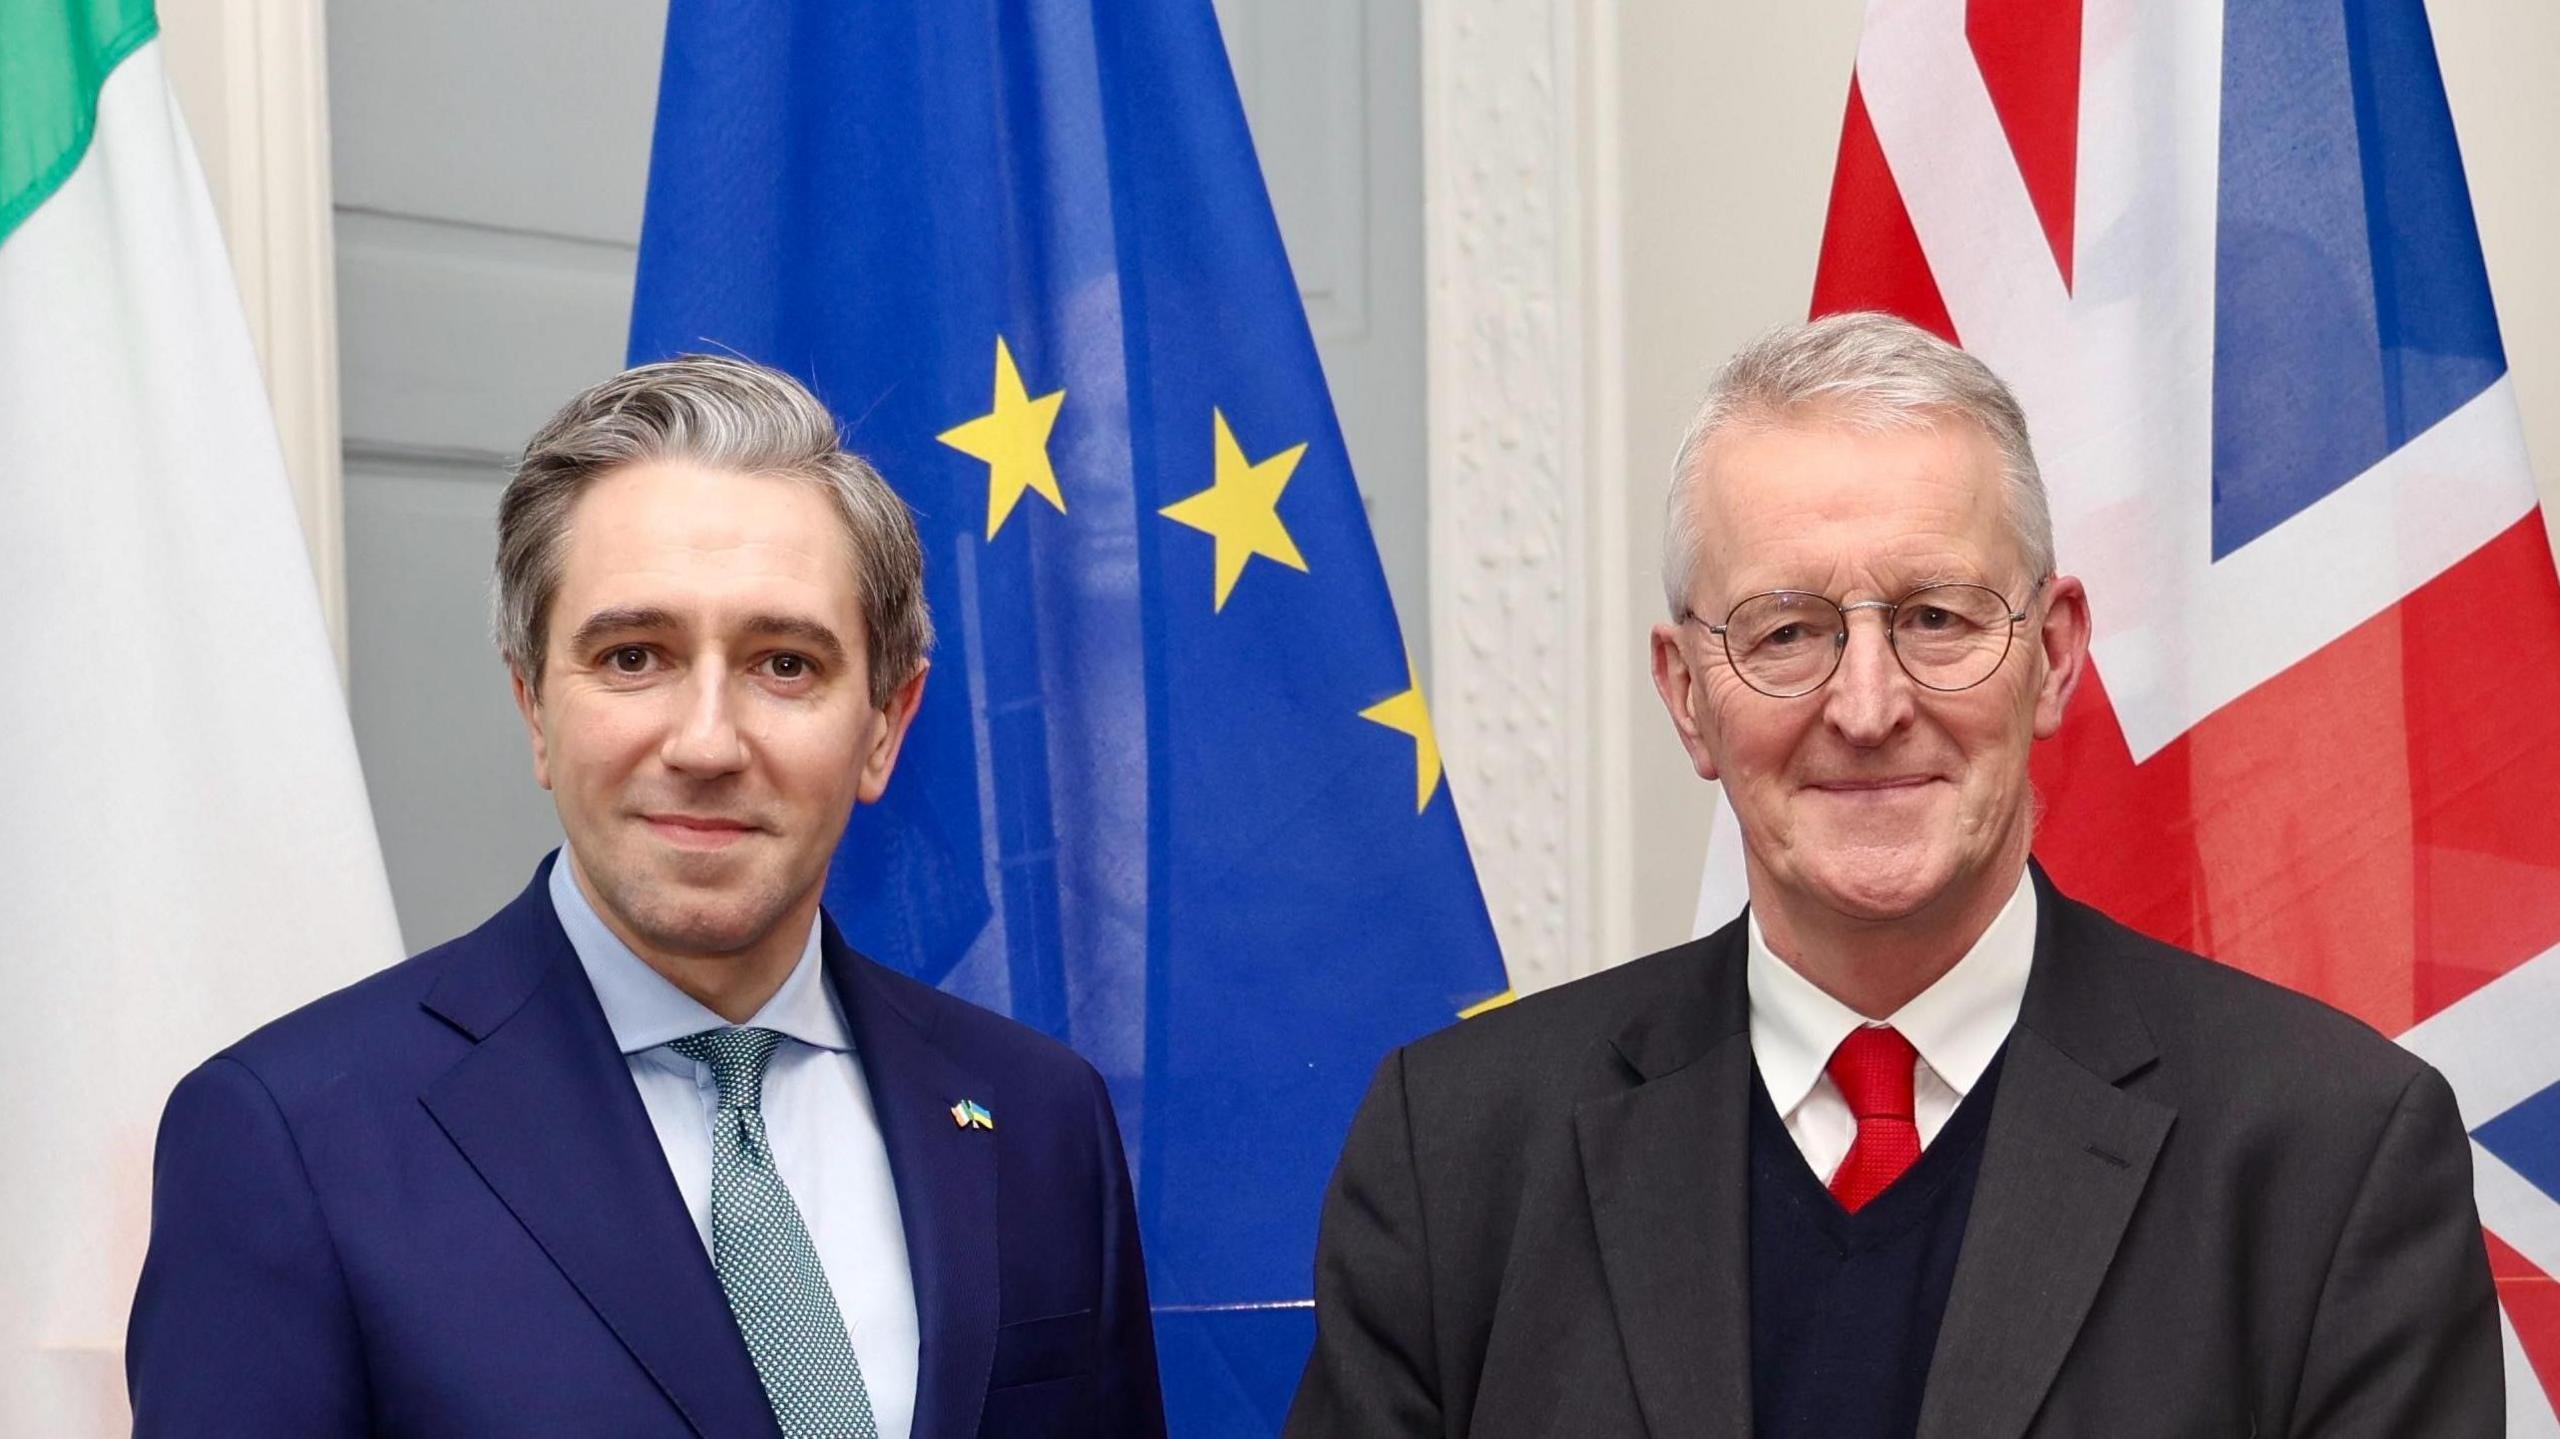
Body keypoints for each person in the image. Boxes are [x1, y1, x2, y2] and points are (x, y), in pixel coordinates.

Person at [1283, 313, 2501, 1438]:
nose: (1867, 707)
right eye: (1786, 630)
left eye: (1936, 617)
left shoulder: (2328, 1156)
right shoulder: (1455, 1153)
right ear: (1686, 694)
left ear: (2054, 655)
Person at [127, 357, 1166, 1438]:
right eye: (633, 656)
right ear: (535, 705)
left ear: (885, 725)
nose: (706, 741)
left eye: (785, 665)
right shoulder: (292, 1139)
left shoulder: (1041, 1117)